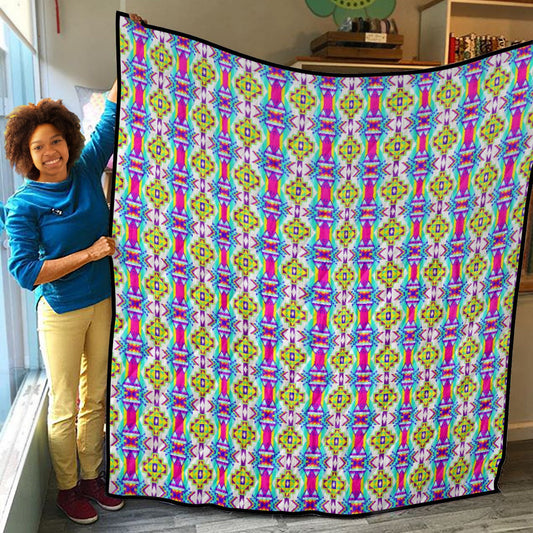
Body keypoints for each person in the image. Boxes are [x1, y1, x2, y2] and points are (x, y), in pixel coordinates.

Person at [3, 80, 123, 525]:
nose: (50, 151)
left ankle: (91, 479)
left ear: (68, 140)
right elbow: (26, 272)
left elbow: (110, 117)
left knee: (96, 398)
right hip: (60, 311)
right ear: (26, 154)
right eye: (39, 146)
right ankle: (67, 490)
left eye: (56, 140)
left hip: (102, 302)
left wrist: (131, 52)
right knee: (65, 404)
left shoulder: (87, 169)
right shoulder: (24, 205)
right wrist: (89, 254)